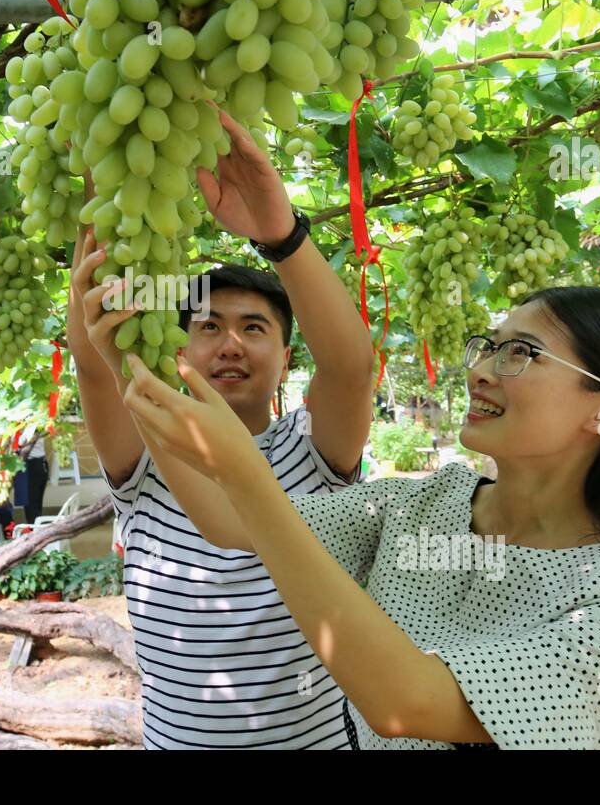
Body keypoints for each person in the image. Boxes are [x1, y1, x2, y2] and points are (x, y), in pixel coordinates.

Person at [119, 285, 600, 750]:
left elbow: (406, 705)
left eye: (522, 353)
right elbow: (237, 525)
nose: (479, 371)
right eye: (489, 347)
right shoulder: (421, 504)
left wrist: (247, 472)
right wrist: (128, 363)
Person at [68, 105, 376, 749]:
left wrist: (282, 234)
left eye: (254, 328)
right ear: (178, 349)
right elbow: (98, 371)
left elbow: (350, 368)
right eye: (207, 326)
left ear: (288, 358)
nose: (230, 342)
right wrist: (109, 194)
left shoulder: (313, 452)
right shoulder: (150, 452)